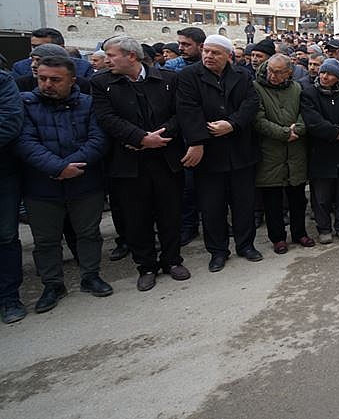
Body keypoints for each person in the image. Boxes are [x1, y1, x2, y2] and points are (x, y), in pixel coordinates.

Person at [91, 36, 190, 292]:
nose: (106, 60)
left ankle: (172, 260)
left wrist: (160, 137)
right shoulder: (101, 83)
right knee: (136, 218)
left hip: (166, 158)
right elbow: (106, 118)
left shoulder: (168, 79)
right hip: (129, 162)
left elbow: (180, 113)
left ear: (131, 56)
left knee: (170, 213)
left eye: (111, 55)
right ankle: (146, 266)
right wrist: (141, 138)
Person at [14, 56, 112, 313]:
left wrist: (69, 167)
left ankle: (91, 275)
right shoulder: (24, 104)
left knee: (88, 233)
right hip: (41, 186)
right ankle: (53, 284)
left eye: (55, 80)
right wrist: (57, 168)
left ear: (72, 80)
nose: (47, 84)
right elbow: (25, 142)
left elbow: (98, 140)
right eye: (42, 79)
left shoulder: (89, 104)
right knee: (46, 240)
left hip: (84, 182)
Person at [176, 34, 263, 272]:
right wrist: (198, 140)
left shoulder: (242, 75)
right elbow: (188, 111)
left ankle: (246, 245)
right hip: (209, 152)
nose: (209, 56)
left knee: (244, 204)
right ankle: (218, 251)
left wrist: (232, 124)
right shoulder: (188, 76)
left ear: (228, 56)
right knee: (211, 207)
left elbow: (251, 104)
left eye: (215, 53)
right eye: (206, 51)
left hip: (240, 150)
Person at [253, 54, 314, 254]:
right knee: (272, 200)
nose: (272, 75)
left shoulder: (296, 88)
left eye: (278, 72)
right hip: (270, 152)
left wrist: (299, 129)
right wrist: (284, 133)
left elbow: (305, 112)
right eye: (270, 70)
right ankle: (278, 238)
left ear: (289, 72)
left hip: (295, 151)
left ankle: (299, 233)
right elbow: (258, 119)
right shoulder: (256, 87)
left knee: (297, 197)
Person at [300, 58, 339, 243]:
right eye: (323, 72)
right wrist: (336, 132)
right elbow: (313, 121)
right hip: (321, 151)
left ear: (338, 77)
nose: (324, 76)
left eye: (330, 74)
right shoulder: (309, 93)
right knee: (321, 195)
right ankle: (324, 228)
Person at [0, 70, 26, 323]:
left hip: (3, 172)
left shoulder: (2, 80)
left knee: (5, 236)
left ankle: (9, 297)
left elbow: (10, 121)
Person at [11, 27, 94, 79]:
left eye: (43, 47)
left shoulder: (83, 68)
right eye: (34, 46)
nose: (36, 51)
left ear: (61, 47)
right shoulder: (20, 68)